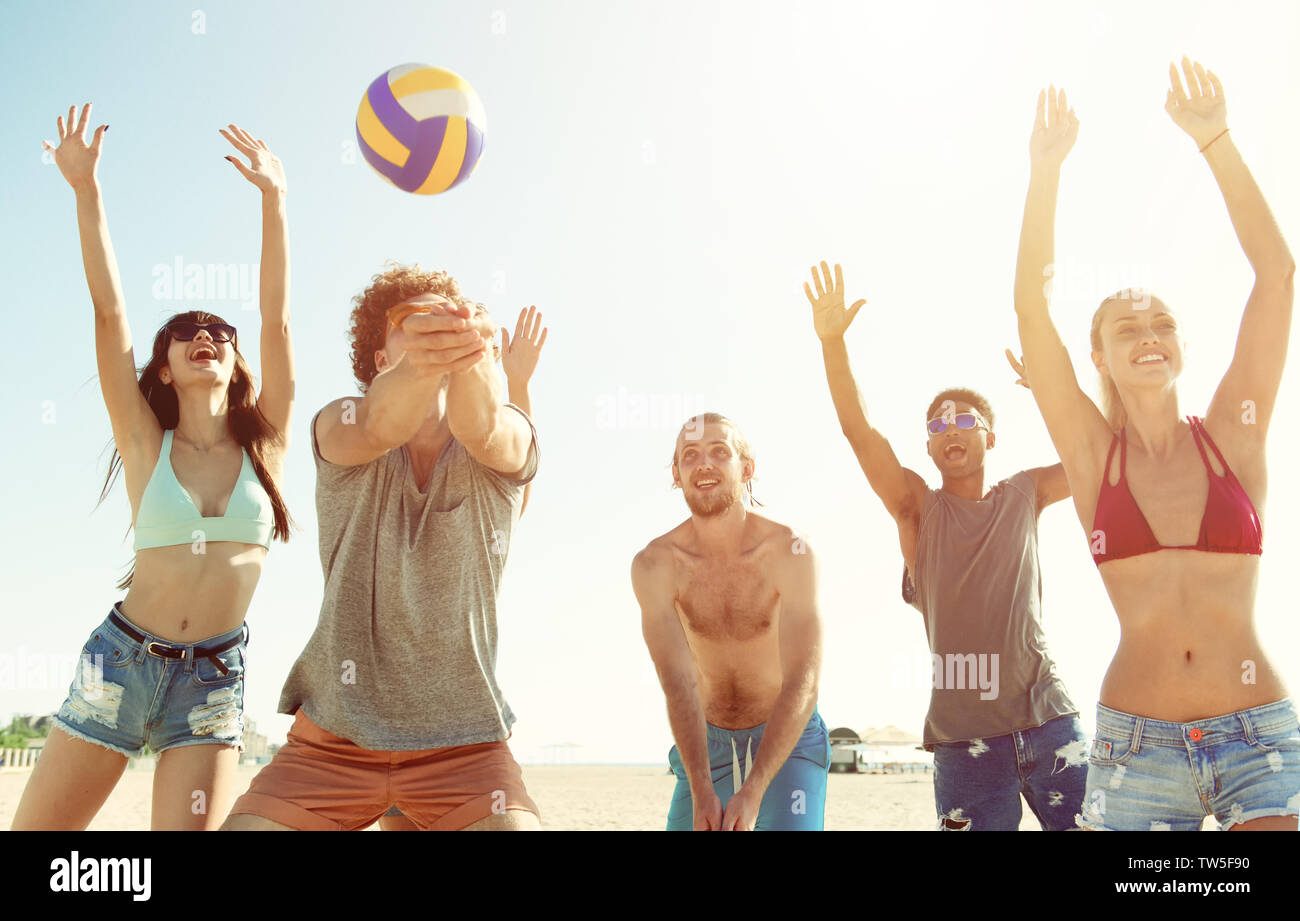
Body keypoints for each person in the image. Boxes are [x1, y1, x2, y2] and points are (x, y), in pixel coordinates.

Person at [1013, 60, 1298, 830]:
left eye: (1162, 322)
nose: (1149, 335)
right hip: (1137, 746)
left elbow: (1276, 275)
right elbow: (1032, 317)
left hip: (1256, 737)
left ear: (1182, 346)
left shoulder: (1233, 434)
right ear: (1098, 357)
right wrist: (1046, 173)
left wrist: (1217, 142)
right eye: (1127, 327)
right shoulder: (1091, 457)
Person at [12, 108, 293, 830]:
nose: (206, 336)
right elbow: (110, 313)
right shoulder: (145, 443)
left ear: (235, 364)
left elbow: (277, 319)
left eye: (220, 333)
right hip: (121, 664)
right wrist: (85, 189)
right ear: (164, 370)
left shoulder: (269, 445)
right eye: (185, 334)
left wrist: (274, 199)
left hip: (213, 679)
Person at [222, 264, 542, 831]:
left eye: (447, 314)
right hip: (334, 739)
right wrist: (434, 358)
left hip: (463, 743)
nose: (435, 324)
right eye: (410, 320)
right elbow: (378, 423)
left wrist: (480, 363)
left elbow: (485, 426)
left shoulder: (505, 438)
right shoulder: (341, 422)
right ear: (377, 361)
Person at [804, 262, 1085, 830]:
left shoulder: (1026, 494)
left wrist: (1054, 388)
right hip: (964, 738)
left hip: (1050, 721)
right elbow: (860, 431)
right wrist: (833, 345)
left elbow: (1094, 454)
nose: (949, 429)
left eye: (964, 419)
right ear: (929, 449)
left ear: (991, 435)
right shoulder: (919, 509)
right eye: (936, 426)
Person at [377, 303, 547, 832]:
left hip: (463, 725)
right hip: (374, 718)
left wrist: (516, 382)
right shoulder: (370, 452)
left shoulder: (478, 473)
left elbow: (517, 465)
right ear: (382, 359)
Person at [632, 414, 828, 831]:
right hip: (705, 746)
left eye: (720, 452)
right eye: (690, 455)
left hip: (787, 737)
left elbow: (804, 680)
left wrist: (754, 790)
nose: (704, 464)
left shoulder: (790, 552)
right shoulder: (654, 565)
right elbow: (677, 683)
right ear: (676, 475)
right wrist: (702, 786)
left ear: (747, 468)